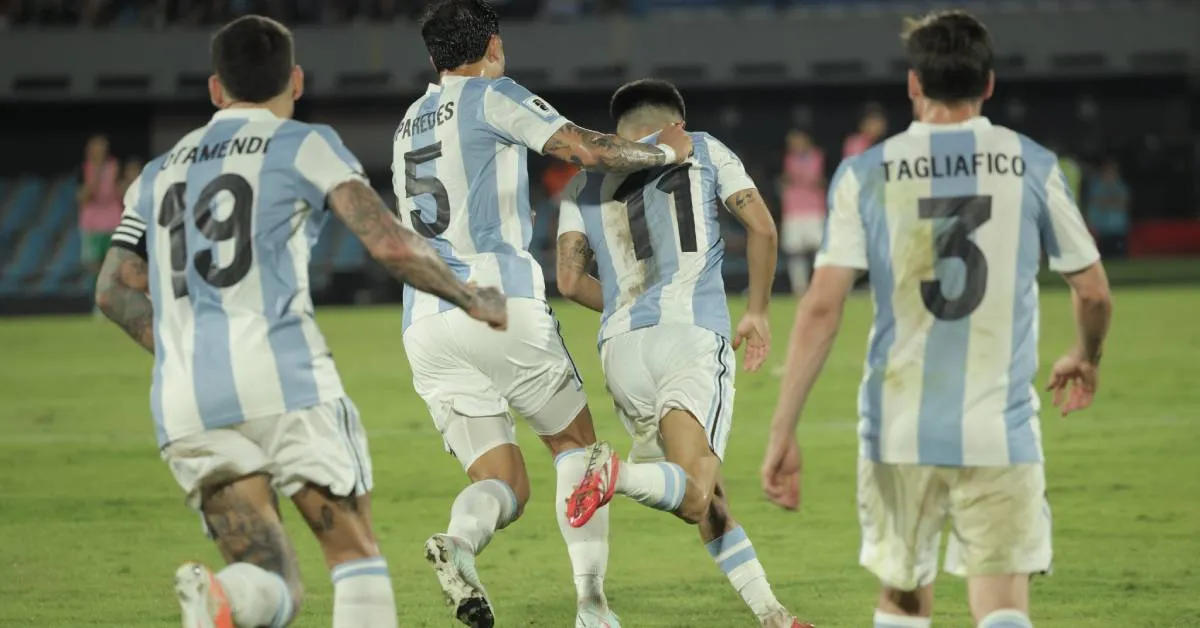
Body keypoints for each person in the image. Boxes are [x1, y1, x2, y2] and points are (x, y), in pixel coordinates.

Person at [94, 15, 506, 628]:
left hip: (187, 398)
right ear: (296, 79)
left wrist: (179, 347)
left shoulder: (158, 173)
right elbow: (389, 243)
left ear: (215, 89)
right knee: (355, 557)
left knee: (270, 579)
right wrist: (472, 299)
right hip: (285, 382)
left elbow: (112, 288)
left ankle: (224, 599)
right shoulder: (303, 144)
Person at [760, 10, 1112, 628]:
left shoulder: (866, 173)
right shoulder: (1031, 164)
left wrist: (782, 428)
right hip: (999, 427)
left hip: (899, 427)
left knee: (902, 592)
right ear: (990, 84)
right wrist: (1086, 355)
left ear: (914, 85)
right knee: (1002, 600)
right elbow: (1092, 293)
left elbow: (821, 307)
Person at [397, 2, 692, 627]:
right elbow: (582, 148)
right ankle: (591, 605)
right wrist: (664, 154)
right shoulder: (491, 93)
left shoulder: (407, 123)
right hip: (495, 299)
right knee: (575, 449)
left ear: (432, 58)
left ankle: (458, 543)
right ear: (495, 46)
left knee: (505, 482)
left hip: (424, 319)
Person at [555, 79, 812, 628]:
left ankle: (771, 613)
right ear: (675, 119)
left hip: (621, 352)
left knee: (706, 492)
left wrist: (626, 305)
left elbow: (571, 281)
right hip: (689, 337)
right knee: (694, 492)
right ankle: (617, 476)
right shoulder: (702, 147)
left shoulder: (582, 184)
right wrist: (758, 310)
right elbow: (762, 227)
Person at [779, 129, 826, 295]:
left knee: (820, 251)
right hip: (793, 211)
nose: (794, 145)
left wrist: (798, 179)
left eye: (796, 141)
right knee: (795, 251)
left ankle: (822, 286)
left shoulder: (817, 156)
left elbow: (818, 180)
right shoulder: (788, 159)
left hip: (814, 210)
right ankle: (799, 288)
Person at [78, 134, 122, 290]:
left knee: (113, 264)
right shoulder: (84, 168)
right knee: (94, 265)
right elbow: (83, 197)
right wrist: (96, 173)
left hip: (112, 221)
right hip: (92, 223)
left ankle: (111, 298)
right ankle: (96, 300)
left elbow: (119, 192)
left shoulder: (115, 167)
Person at [1086, 157, 1131, 258]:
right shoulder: (1096, 187)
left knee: (1120, 259)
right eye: (1108, 171)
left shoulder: (1121, 186)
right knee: (1104, 260)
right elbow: (1095, 204)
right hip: (1102, 231)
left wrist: (1106, 202)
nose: (1110, 174)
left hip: (1118, 230)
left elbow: (1122, 204)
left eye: (1112, 171)